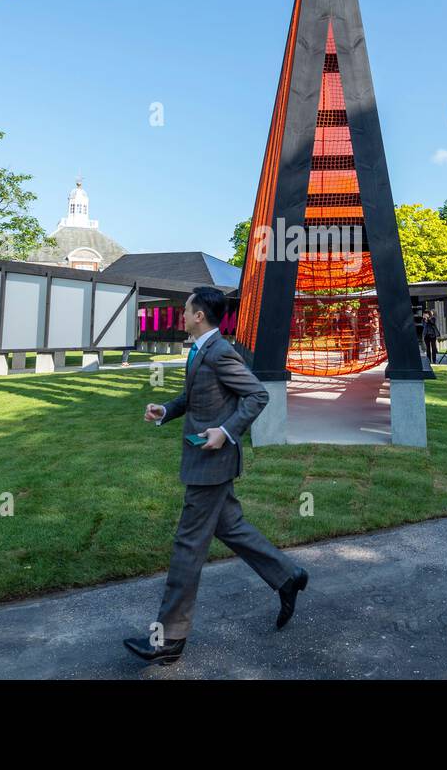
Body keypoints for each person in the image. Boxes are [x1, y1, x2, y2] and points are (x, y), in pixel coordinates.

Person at [125, 285, 308, 666]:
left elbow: (257, 395)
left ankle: (169, 638)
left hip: (211, 462)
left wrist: (225, 433)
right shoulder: (200, 349)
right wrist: (166, 410)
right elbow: (195, 398)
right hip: (205, 460)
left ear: (199, 316)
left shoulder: (221, 351)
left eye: (186, 309)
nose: (181, 315)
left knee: (187, 547)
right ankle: (288, 575)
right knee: (232, 527)